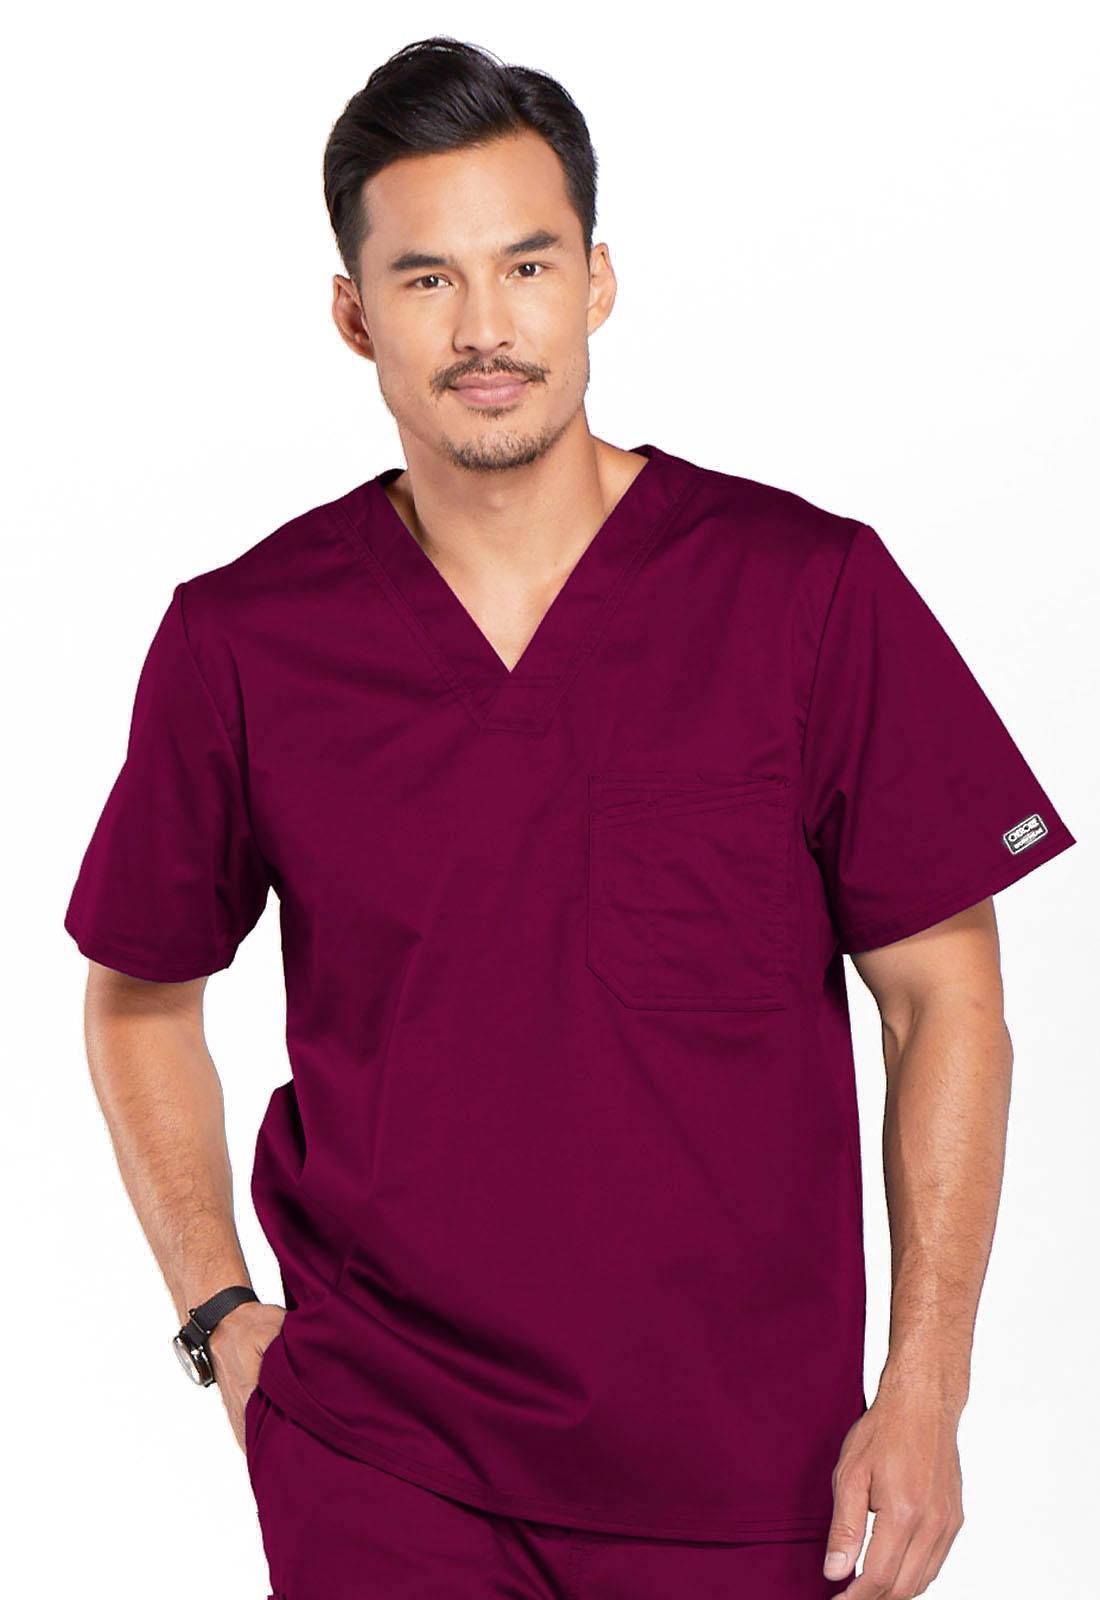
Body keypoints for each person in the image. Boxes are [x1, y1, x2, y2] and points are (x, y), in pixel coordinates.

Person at [63, 34, 1077, 1600]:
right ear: (353, 313)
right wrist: (218, 1313)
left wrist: (927, 1388)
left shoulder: (806, 594)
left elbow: (945, 996)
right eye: (426, 280)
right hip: (382, 1461)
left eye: (526, 265)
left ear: (597, 281)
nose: (485, 327)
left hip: (750, 1473)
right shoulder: (244, 640)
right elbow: (138, 993)